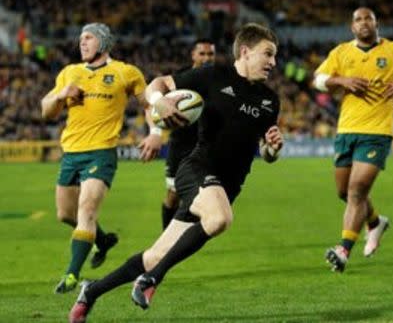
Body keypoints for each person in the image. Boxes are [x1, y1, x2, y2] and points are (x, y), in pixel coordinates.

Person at [69, 22, 283, 323]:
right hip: (197, 170)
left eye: (274, 56)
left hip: (227, 187)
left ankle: (92, 291)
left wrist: (272, 149)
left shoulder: (270, 100)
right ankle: (151, 280)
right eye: (268, 54)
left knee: (155, 255)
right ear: (245, 52)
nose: (273, 62)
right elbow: (158, 84)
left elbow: (265, 153)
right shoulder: (212, 75)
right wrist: (161, 102)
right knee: (220, 219)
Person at [41, 23, 152, 293]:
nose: (82, 43)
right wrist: (60, 95)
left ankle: (71, 275)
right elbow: (46, 111)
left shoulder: (125, 72)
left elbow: (148, 103)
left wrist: (155, 132)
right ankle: (102, 241)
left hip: (102, 151)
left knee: (87, 210)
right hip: (71, 153)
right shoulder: (70, 72)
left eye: (88, 38)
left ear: (102, 43)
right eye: (81, 39)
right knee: (65, 214)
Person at [313, 7, 393, 272]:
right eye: (358, 19)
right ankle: (375, 222)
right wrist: (342, 80)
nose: (363, 23)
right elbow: (318, 79)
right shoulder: (341, 52)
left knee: (357, 189)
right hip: (347, 129)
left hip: (377, 131)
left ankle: (342, 250)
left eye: (368, 18)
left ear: (377, 23)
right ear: (352, 27)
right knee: (344, 191)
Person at [160, 39, 216, 229]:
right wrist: (156, 132)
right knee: (173, 196)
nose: (207, 58)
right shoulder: (181, 79)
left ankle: (190, 235)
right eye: (202, 54)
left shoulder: (220, 81)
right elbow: (157, 104)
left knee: (204, 195)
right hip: (181, 145)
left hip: (206, 146)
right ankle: (165, 235)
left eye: (211, 54)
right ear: (193, 55)